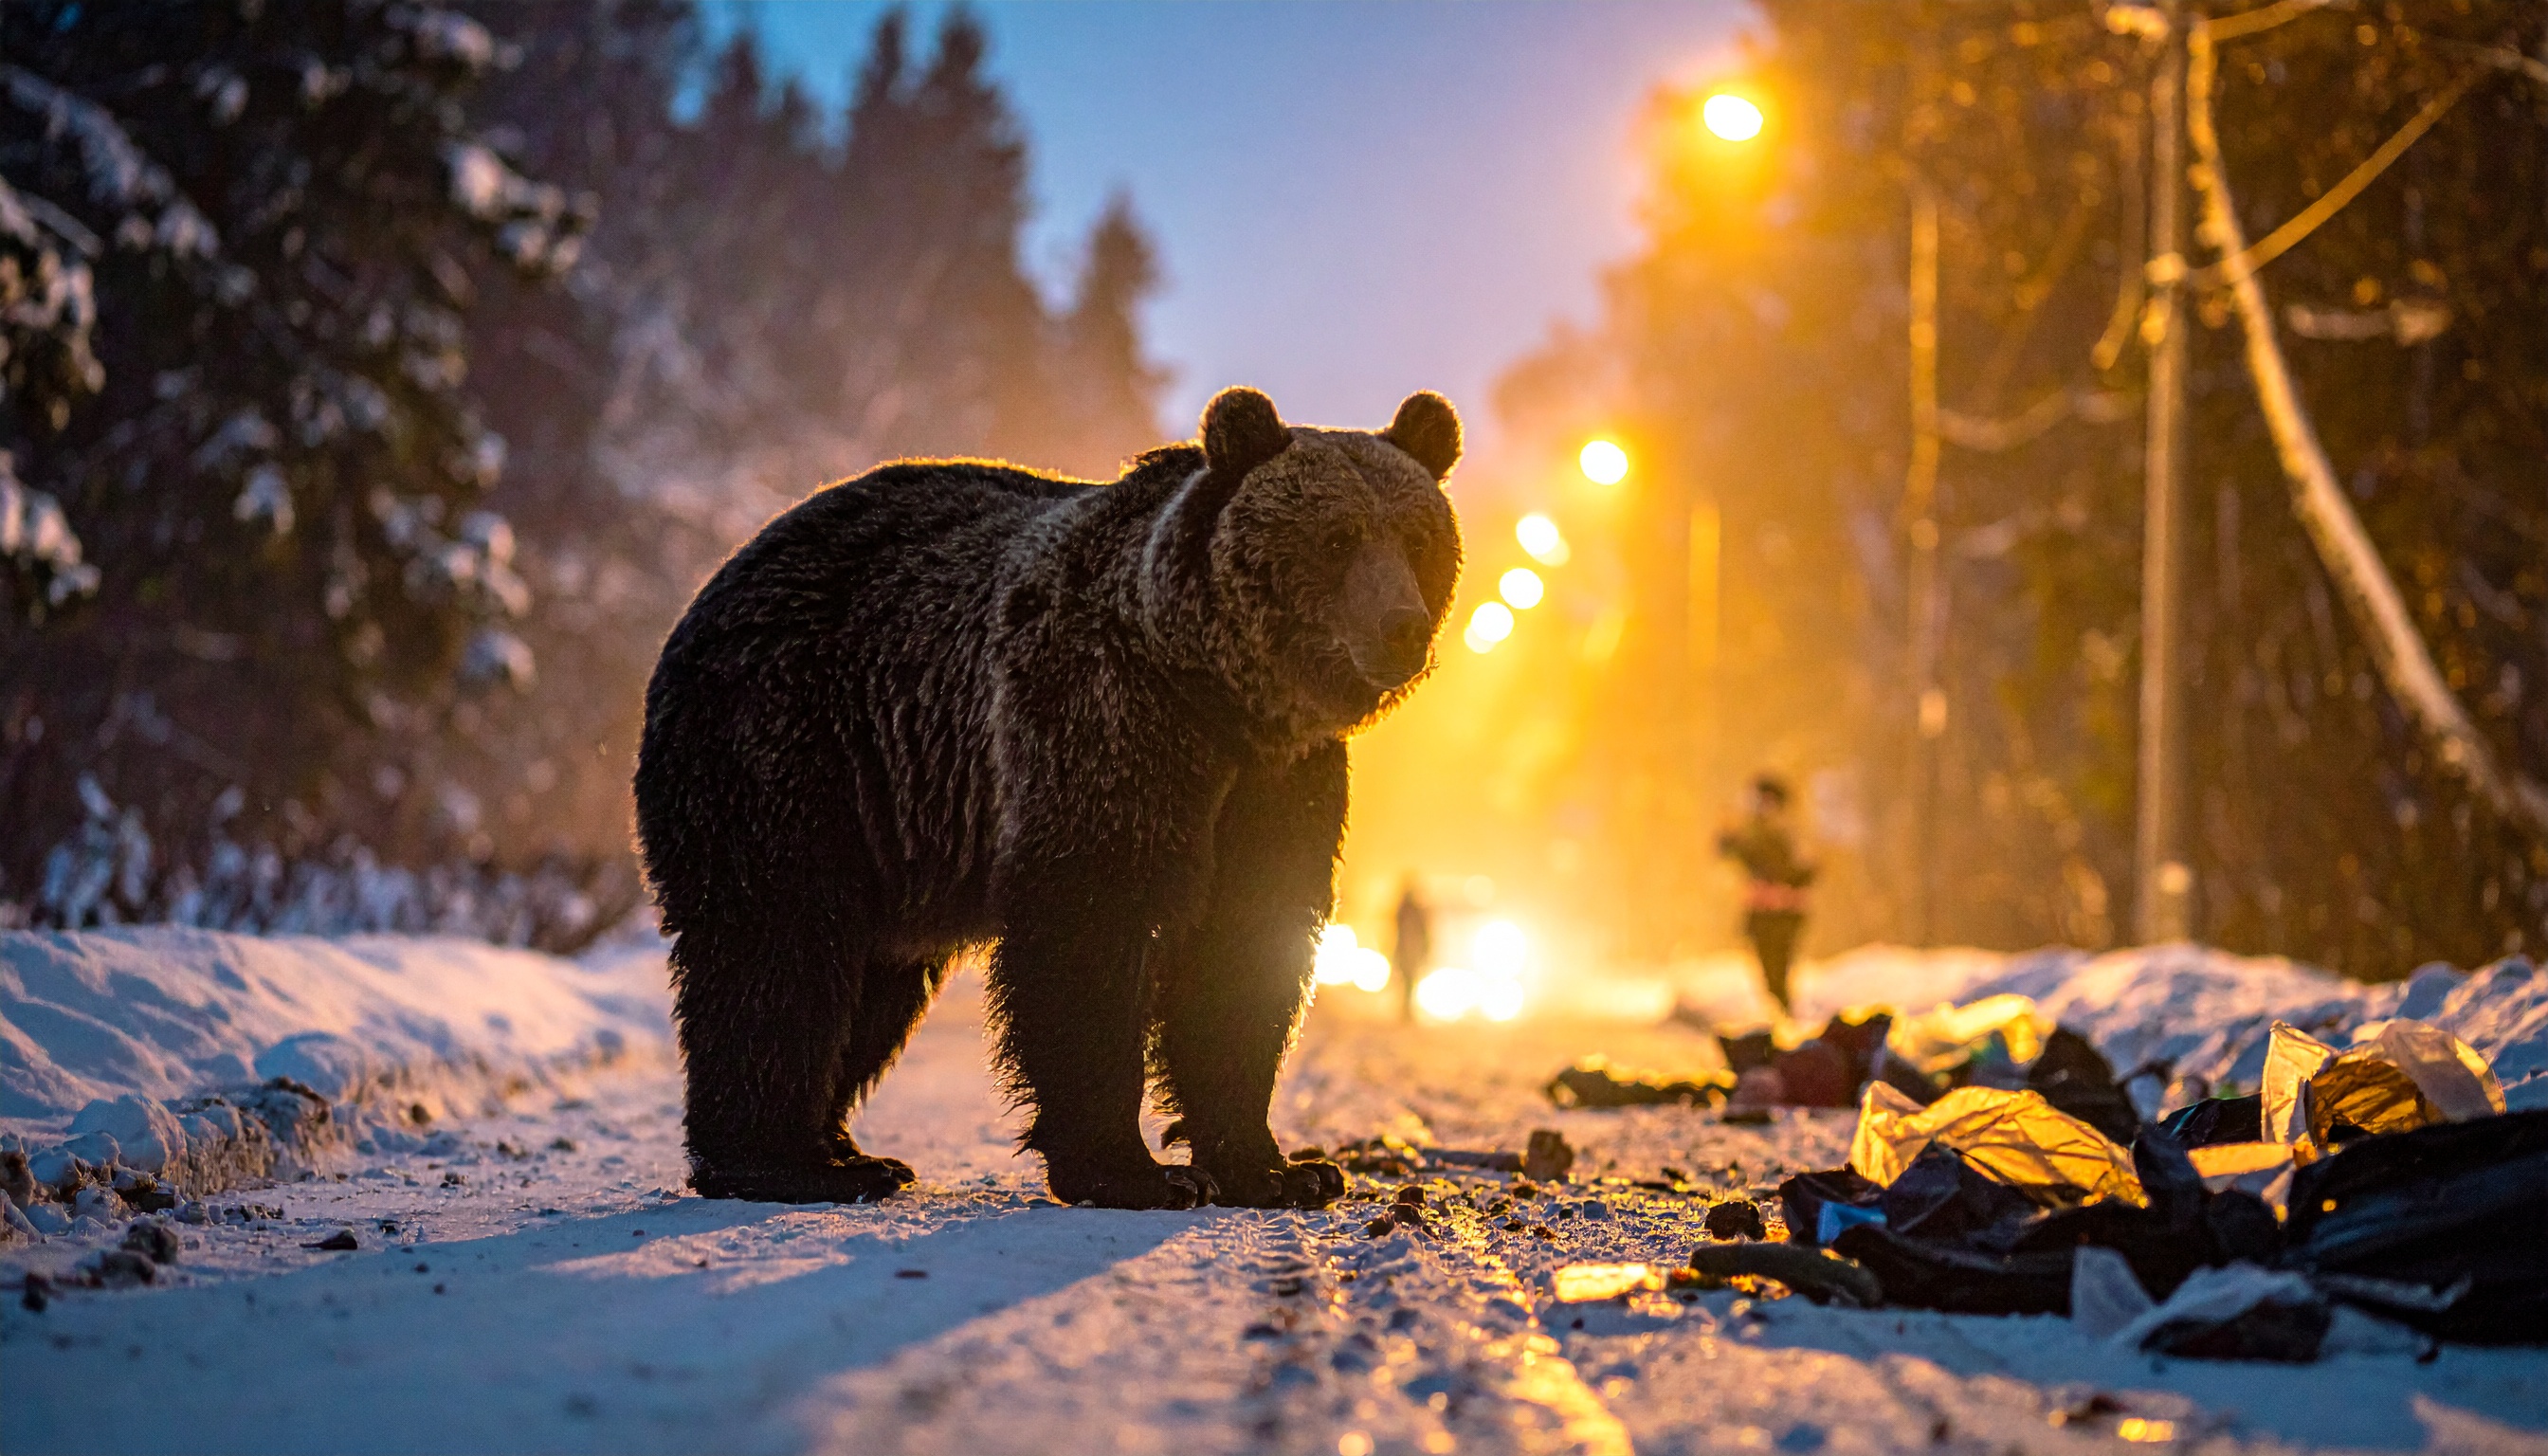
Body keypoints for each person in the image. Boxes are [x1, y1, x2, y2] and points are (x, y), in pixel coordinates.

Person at [1716, 774, 1816, 1016]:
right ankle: (1779, 1013)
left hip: (1785, 915)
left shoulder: (1790, 835)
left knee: (1779, 968)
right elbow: (1729, 852)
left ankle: (1783, 1013)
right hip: (1762, 914)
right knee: (1767, 968)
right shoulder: (1752, 832)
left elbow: (1807, 871)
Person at [1392, 876, 1432, 1024]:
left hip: (1409, 949)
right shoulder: (1411, 910)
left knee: (1408, 979)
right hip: (1409, 950)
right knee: (1407, 979)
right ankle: (1406, 1010)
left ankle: (1406, 1009)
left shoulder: (1407, 910)